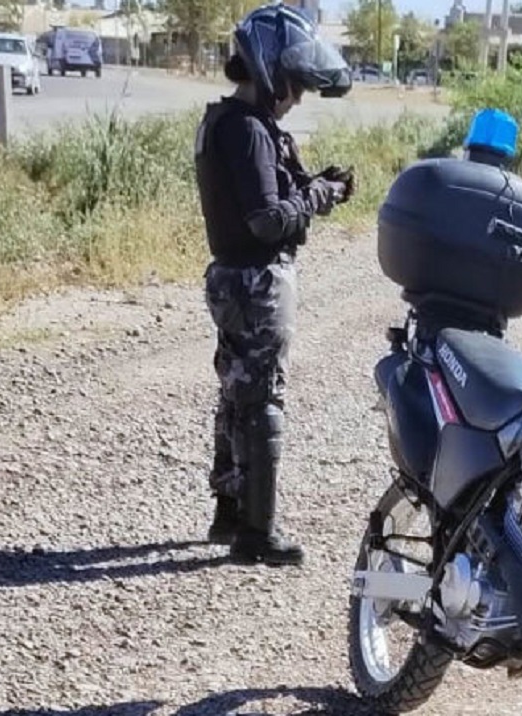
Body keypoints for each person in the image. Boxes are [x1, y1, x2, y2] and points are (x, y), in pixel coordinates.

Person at [193, 3, 354, 567]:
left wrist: (317, 186)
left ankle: (230, 514)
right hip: (256, 280)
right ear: (270, 73)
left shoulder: (232, 124)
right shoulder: (249, 132)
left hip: (233, 278)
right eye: (294, 85)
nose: (299, 97)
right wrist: (317, 197)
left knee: (236, 390)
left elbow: (267, 200)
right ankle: (256, 534)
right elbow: (267, 219)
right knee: (261, 399)